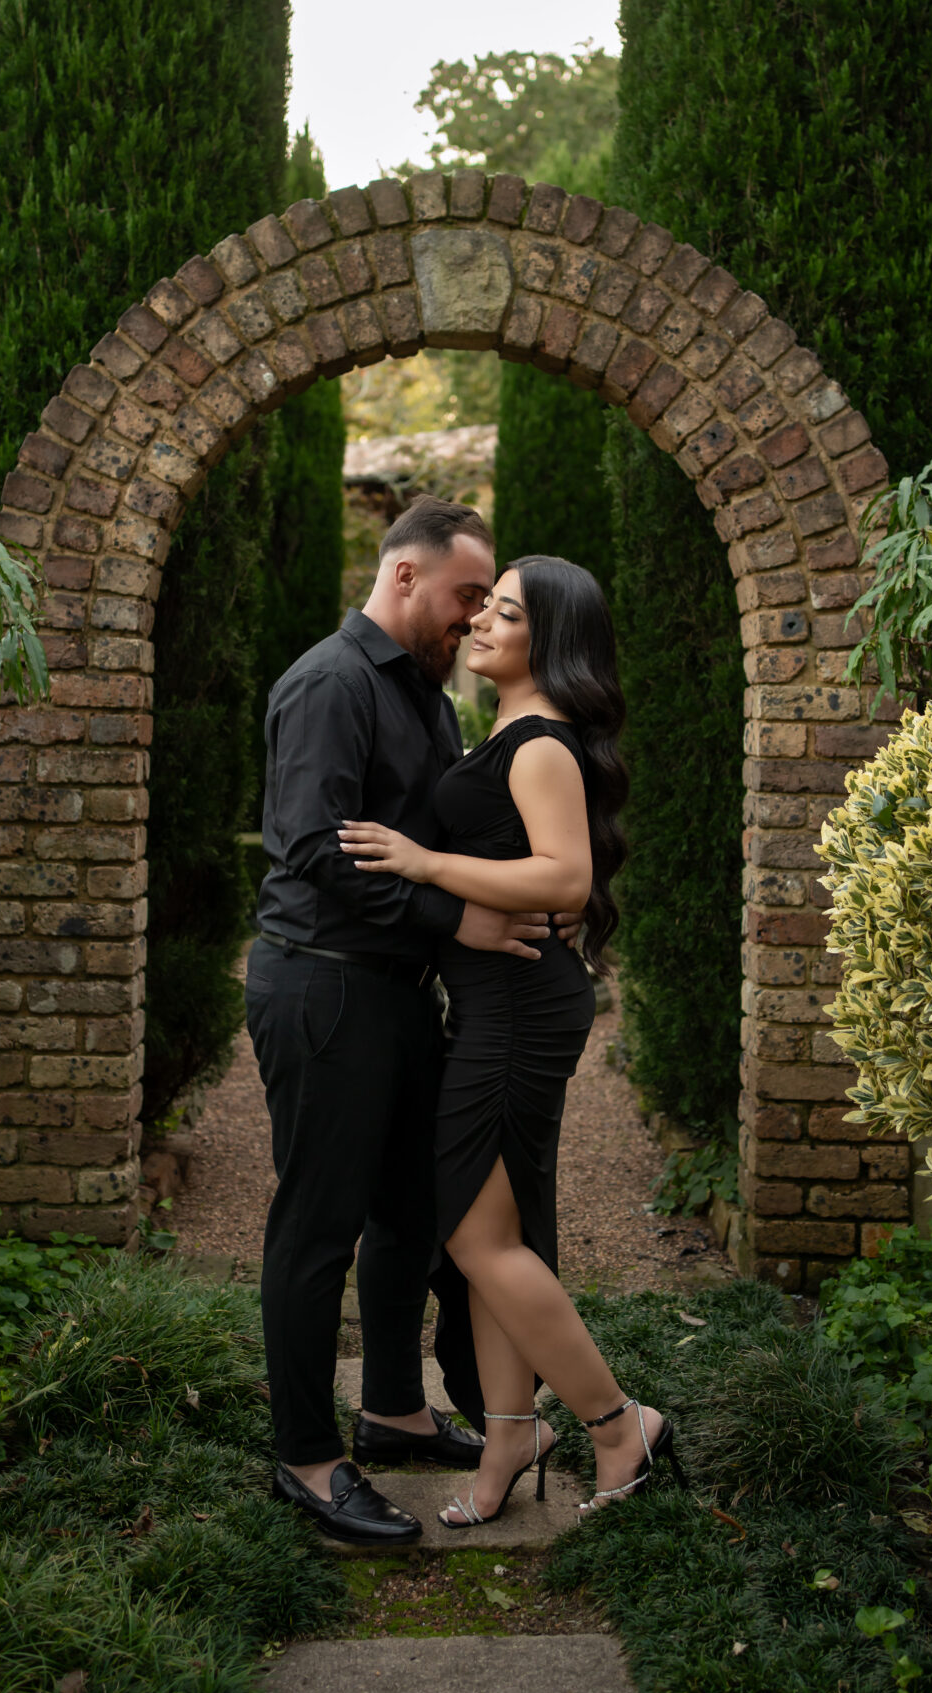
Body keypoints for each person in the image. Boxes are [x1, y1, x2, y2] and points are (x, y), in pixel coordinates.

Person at [340, 555, 687, 1526]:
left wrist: (422, 860)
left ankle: (617, 1426)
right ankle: (508, 1437)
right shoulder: (510, 732)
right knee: (492, 1237)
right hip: (501, 1004)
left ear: (551, 640)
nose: (482, 625)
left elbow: (564, 879)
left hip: (518, 1012)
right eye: (484, 608)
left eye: (506, 614)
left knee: (475, 1235)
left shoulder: (538, 743)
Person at [247, 496, 568, 1545]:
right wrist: (456, 918)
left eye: (488, 603)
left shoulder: (427, 697)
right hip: (323, 987)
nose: (475, 619)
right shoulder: (331, 684)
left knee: (411, 1215)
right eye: (466, 597)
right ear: (403, 578)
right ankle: (306, 1456)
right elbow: (307, 848)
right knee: (317, 1225)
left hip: (394, 993)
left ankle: (392, 1409)